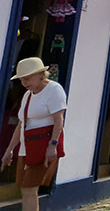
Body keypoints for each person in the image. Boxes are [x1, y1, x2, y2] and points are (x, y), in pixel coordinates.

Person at [1, 58, 66, 211]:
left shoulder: (54, 90)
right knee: (26, 190)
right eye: (22, 79)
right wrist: (9, 149)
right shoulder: (28, 95)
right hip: (27, 147)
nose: (24, 82)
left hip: (42, 147)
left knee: (29, 189)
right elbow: (21, 123)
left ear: (40, 74)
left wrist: (53, 145)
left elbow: (59, 120)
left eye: (27, 78)